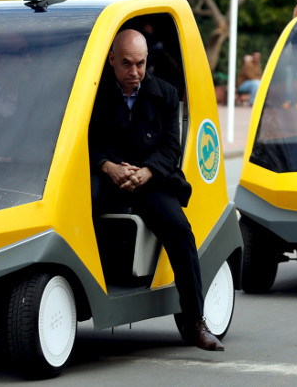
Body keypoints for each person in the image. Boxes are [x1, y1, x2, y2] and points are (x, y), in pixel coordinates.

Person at [88, 29, 224, 352]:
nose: (134, 72)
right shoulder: (94, 93)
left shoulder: (164, 92)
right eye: (126, 64)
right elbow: (85, 141)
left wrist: (146, 172)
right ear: (111, 60)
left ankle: (194, 322)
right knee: (74, 209)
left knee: (179, 230)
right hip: (106, 176)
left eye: (140, 64)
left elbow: (170, 147)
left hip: (150, 180)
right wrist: (109, 167)